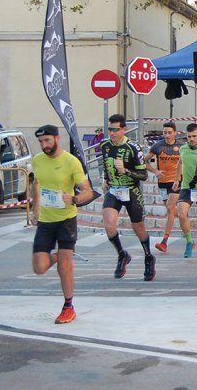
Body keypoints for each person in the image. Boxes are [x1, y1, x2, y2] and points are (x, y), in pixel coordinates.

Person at [31, 124, 94, 324]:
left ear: (57, 138)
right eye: (41, 142)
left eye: (47, 140)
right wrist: (35, 208)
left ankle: (68, 306)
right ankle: (59, 256)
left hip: (66, 219)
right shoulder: (37, 160)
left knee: (64, 268)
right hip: (46, 220)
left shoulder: (71, 161)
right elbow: (36, 183)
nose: (44, 145)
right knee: (39, 268)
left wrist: (74, 199)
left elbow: (88, 191)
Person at [100, 113, 156, 281]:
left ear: (123, 130)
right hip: (113, 190)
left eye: (115, 130)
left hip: (131, 190)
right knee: (109, 224)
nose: (112, 133)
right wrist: (105, 179)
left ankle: (148, 257)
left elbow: (143, 175)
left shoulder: (132, 147)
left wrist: (125, 171)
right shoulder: (105, 145)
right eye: (110, 129)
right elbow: (106, 164)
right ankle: (122, 254)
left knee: (138, 227)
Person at [147, 122, 183, 254]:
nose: (167, 135)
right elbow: (143, 161)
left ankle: (164, 241)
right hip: (162, 182)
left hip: (176, 182)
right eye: (165, 133)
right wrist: (155, 171)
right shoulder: (157, 146)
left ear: (175, 133)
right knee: (172, 211)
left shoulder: (181, 147)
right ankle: (188, 233)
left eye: (169, 133)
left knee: (169, 207)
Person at [173, 123, 197, 258]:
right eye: (189, 136)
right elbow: (180, 163)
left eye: (194, 136)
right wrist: (176, 179)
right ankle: (189, 241)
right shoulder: (183, 148)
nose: (191, 139)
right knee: (181, 213)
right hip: (187, 187)